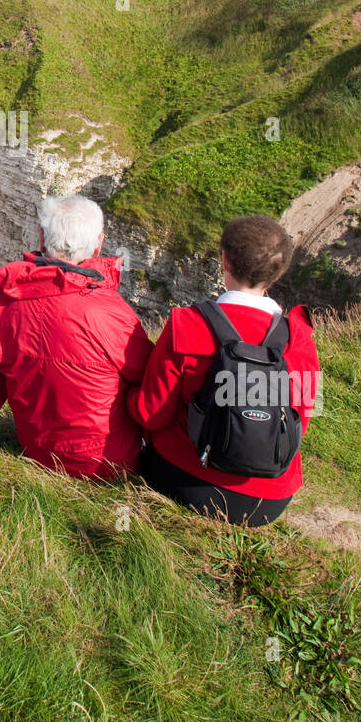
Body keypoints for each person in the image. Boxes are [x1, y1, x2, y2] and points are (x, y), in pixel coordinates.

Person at [129, 214, 319, 526]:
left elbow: (151, 414)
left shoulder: (185, 325)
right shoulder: (302, 340)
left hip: (186, 481)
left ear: (224, 262)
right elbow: (302, 421)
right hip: (267, 502)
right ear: (280, 271)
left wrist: (124, 392)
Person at [0, 195, 152, 478]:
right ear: (99, 243)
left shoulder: (0, 305)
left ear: (42, 238)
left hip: (40, 458)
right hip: (112, 465)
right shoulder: (112, 313)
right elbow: (152, 381)